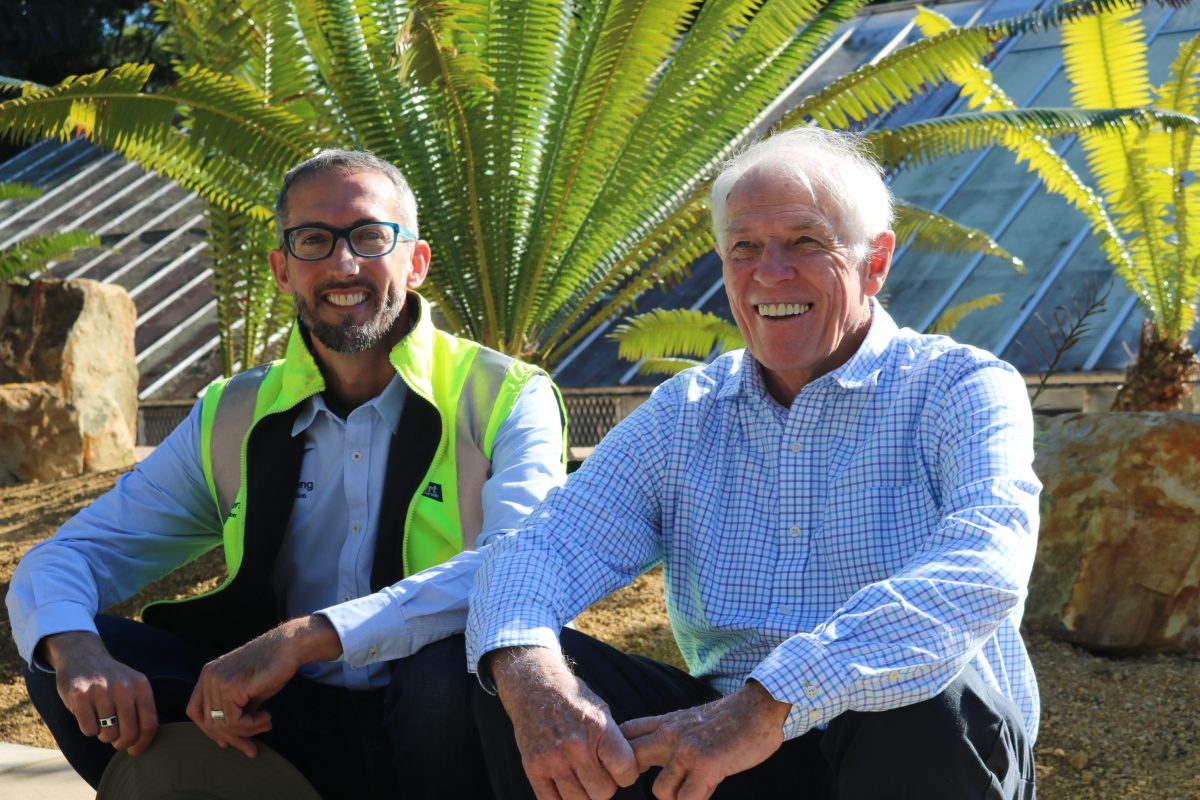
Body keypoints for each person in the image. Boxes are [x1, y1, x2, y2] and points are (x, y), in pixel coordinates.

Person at [457, 127, 1040, 799]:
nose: (770, 273)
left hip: (913, 753)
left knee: (923, 692)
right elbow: (542, 546)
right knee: (503, 673)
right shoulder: (685, 413)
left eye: (804, 242)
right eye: (745, 247)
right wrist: (534, 679)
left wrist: (770, 702)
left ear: (875, 263)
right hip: (726, 754)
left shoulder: (959, 388)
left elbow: (983, 569)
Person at [7, 150, 567, 799]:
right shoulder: (235, 412)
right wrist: (77, 652)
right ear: (281, 268)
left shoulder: (504, 395)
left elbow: (521, 565)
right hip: (280, 720)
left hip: (449, 732)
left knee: (443, 670)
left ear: (415, 261)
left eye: (368, 235)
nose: (342, 264)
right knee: (61, 648)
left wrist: (308, 638)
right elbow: (69, 557)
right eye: (313, 240)